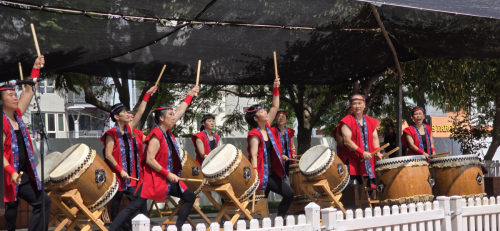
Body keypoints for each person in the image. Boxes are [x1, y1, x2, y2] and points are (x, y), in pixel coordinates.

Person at [109, 85, 199, 231]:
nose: (173, 116)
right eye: (170, 114)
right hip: (152, 179)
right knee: (133, 207)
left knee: (189, 196)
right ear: (161, 118)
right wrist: (168, 174)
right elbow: (150, 160)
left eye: (172, 114)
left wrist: (190, 94)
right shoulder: (156, 135)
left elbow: (181, 111)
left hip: (164, 179)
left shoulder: (166, 131)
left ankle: (178, 228)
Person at [2, 56, 52, 231]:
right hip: (7, 175)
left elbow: (29, 91)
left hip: (21, 174)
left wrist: (36, 68)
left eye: (16, 94)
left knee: (43, 201)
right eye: (11, 95)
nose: (16, 97)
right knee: (12, 208)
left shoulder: (17, 116)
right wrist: (11, 173)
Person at [102, 86, 157, 229]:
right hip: (118, 173)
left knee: (139, 198)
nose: (128, 114)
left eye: (127, 112)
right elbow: (108, 155)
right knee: (117, 198)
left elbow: (140, 111)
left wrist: (147, 95)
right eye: (124, 113)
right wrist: (120, 171)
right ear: (116, 117)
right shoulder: (111, 133)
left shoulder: (129, 128)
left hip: (131, 174)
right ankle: (117, 225)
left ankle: (144, 223)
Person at [246, 76, 294, 218]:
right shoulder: (254, 134)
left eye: (263, 110)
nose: (265, 112)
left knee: (262, 202)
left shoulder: (267, 127)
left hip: (272, 172)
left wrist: (275, 88)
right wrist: (255, 174)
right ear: (255, 118)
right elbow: (253, 155)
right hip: (262, 173)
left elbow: (275, 106)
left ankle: (278, 219)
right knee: (287, 194)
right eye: (261, 112)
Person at [340, 94, 383, 189]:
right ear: (351, 106)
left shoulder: (371, 121)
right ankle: (335, 203)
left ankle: (372, 204)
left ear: (364, 105)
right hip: (352, 159)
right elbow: (347, 141)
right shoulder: (346, 121)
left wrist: (378, 152)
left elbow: (375, 138)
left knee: (372, 187)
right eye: (354, 104)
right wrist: (362, 152)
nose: (357, 106)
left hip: (368, 159)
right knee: (343, 186)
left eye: (359, 103)